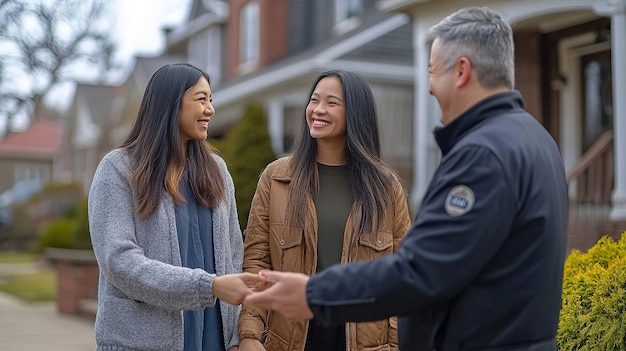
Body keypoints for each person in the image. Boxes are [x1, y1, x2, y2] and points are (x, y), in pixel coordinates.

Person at [244, 7, 569, 351]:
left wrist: (313, 293)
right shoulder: (537, 139)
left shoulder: (483, 154)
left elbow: (420, 270)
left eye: (432, 71)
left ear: (461, 71)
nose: (428, 87)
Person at [88, 63, 263, 351]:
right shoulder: (118, 169)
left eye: (211, 100)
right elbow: (119, 262)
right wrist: (209, 286)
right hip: (140, 343)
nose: (210, 110)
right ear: (171, 103)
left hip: (213, 341)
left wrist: (236, 336)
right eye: (201, 99)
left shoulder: (217, 170)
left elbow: (234, 255)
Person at [238, 69, 412, 351]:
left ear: (355, 113)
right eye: (314, 100)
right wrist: (249, 334)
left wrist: (396, 344)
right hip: (291, 338)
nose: (318, 110)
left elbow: (401, 278)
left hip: (364, 340)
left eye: (332, 103)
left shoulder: (387, 188)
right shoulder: (277, 177)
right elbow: (256, 265)